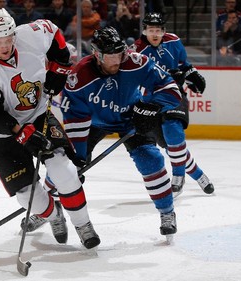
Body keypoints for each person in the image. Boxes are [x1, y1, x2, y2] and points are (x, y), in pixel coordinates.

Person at [23, 26, 179, 241]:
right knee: (66, 166)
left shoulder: (135, 62)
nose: (117, 61)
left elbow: (171, 88)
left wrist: (152, 106)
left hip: (130, 119)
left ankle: (167, 212)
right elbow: (75, 116)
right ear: (97, 54)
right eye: (111, 56)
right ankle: (47, 208)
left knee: (150, 159)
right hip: (93, 123)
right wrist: (77, 154)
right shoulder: (78, 77)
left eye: (119, 54)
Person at [0, 8, 100, 249]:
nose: (5, 46)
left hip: (38, 115)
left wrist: (59, 68)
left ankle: (83, 224)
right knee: (26, 195)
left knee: (63, 170)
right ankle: (53, 214)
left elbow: (55, 34)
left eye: (8, 39)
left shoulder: (31, 34)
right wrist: (21, 132)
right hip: (3, 133)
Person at [133, 13, 214, 196]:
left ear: (163, 31)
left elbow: (184, 66)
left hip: (173, 94)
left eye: (158, 30)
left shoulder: (173, 42)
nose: (154, 34)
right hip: (150, 101)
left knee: (173, 127)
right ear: (145, 31)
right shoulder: (136, 51)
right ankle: (199, 175)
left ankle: (178, 176)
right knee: (170, 146)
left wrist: (190, 74)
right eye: (150, 30)